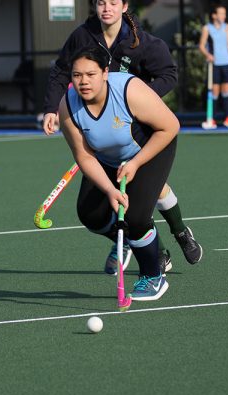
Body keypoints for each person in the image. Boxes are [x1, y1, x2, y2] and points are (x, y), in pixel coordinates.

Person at [43, 0, 202, 275]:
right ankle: (146, 245)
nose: (107, 8)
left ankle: (179, 231)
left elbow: (169, 74)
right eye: (101, 2)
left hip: (139, 126)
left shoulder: (141, 42)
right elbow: (60, 70)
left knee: (150, 191)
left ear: (124, 6)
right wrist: (51, 107)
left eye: (113, 2)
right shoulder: (82, 36)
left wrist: (138, 100)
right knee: (95, 211)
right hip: (103, 131)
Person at [59, 47, 179, 300]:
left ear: (105, 72)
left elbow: (170, 127)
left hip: (150, 148)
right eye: (77, 75)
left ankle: (153, 275)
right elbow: (84, 156)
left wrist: (135, 163)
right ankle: (133, 240)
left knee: (135, 218)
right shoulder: (67, 106)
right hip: (106, 157)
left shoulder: (128, 90)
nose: (83, 81)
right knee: (91, 215)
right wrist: (110, 190)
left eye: (90, 74)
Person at [198, 4, 228, 129]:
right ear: (214, 15)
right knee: (215, 92)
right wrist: (208, 55)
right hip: (214, 65)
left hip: (226, 63)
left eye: (224, 14)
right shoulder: (207, 28)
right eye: (221, 13)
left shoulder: (227, 27)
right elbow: (201, 46)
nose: (223, 16)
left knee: (226, 91)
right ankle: (212, 120)